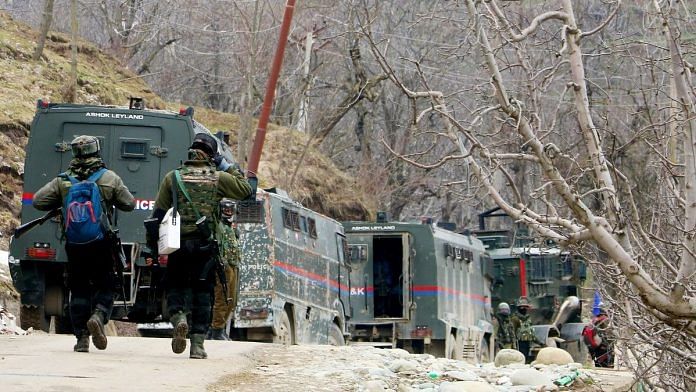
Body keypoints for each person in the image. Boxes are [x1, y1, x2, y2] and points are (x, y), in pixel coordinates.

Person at [147, 133, 252, 359]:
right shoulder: (218, 178)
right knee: (203, 294)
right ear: (212, 156)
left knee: (176, 287)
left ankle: (179, 319)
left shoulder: (172, 178)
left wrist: (153, 249)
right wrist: (228, 166)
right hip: (205, 247)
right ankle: (197, 346)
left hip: (177, 246)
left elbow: (156, 217)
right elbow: (246, 190)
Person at [32, 135, 135, 353]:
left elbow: (38, 201)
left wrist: (62, 201)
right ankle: (98, 315)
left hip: (75, 245)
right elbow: (129, 204)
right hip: (101, 243)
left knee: (78, 289)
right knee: (106, 284)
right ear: (96, 151)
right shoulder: (109, 178)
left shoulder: (63, 181)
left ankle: (81, 339)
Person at [208, 198, 241, 341]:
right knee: (222, 298)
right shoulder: (218, 225)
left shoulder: (231, 227)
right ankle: (217, 329)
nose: (228, 213)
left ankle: (218, 329)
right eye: (226, 210)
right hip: (223, 265)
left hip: (234, 264)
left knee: (231, 300)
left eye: (230, 210)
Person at [512, 296, 538, 363]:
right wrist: (513, 344)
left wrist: (538, 341)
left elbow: (531, 331)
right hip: (520, 342)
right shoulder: (515, 318)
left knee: (526, 356)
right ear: (518, 308)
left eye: (525, 307)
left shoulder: (528, 318)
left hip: (528, 341)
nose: (524, 309)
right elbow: (512, 332)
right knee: (521, 357)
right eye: (522, 307)